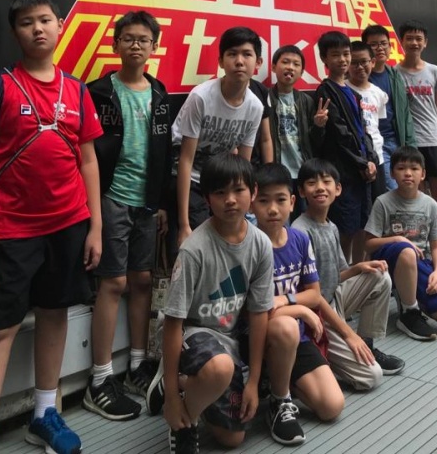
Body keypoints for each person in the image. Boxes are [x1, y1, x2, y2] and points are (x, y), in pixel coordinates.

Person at [0, 0, 103, 454]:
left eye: (45, 20)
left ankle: (44, 414)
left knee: (55, 313)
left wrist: (95, 227)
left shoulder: (77, 90)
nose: (37, 29)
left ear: (61, 25)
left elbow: (88, 161)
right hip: (10, 230)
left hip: (69, 225)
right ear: (15, 32)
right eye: (26, 22)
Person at [151, 153, 274, 454]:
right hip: (193, 334)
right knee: (219, 368)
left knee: (232, 438)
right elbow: (174, 322)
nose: (230, 200)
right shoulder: (194, 250)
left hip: (229, 337)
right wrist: (173, 401)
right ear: (207, 199)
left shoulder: (260, 244)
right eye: (220, 192)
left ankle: (189, 385)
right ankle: (183, 418)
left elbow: (259, 313)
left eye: (238, 190)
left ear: (253, 192)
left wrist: (253, 382)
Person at [83, 11, 172, 420]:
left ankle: (137, 365)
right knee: (112, 283)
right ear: (115, 44)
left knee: (142, 281)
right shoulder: (98, 92)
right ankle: (100, 377)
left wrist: (161, 203)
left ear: (154, 47)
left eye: (143, 40)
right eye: (129, 38)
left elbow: (164, 154)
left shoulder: (160, 93)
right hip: (111, 199)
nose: (136, 45)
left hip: (146, 204)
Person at [252, 163, 344, 443]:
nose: (273, 209)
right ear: (252, 203)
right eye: (264, 201)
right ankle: (279, 401)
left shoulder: (300, 240)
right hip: (259, 336)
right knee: (286, 326)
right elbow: (256, 311)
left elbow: (315, 294)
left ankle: (280, 377)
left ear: (292, 202)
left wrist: (287, 301)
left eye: (280, 200)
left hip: (296, 339)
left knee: (331, 406)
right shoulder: (249, 246)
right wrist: (300, 309)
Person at [293, 158, 405, 387]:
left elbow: (336, 276)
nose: (320, 188)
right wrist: (347, 333)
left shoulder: (331, 226)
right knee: (371, 377)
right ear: (301, 191)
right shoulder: (300, 232)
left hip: (333, 300)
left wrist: (358, 268)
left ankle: (366, 343)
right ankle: (325, 355)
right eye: (312, 183)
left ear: (338, 189)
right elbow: (313, 295)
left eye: (326, 182)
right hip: (316, 313)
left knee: (379, 276)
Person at [171, 27, 264, 249]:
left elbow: (243, 164)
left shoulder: (255, 107)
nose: (239, 61)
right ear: (221, 61)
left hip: (220, 178)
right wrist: (184, 225)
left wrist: (243, 213)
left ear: (258, 63)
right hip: (187, 176)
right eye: (232, 54)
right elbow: (185, 160)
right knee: (200, 242)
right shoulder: (201, 97)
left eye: (247, 54)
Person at [365, 146, 437, 342]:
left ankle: (408, 296)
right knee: (407, 251)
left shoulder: (430, 204)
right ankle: (409, 313)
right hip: (389, 261)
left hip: (420, 263)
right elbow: (369, 244)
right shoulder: (382, 202)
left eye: (414, 169)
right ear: (392, 173)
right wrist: (397, 239)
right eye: (401, 168)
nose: (408, 173)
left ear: (423, 174)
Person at [314, 31, 378, 262]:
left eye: (346, 54)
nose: (342, 59)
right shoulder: (326, 91)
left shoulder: (352, 93)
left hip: (362, 170)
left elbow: (364, 131)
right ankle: (344, 272)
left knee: (363, 223)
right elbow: (339, 134)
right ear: (324, 59)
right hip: (344, 171)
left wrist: (371, 160)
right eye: (335, 55)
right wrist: (362, 163)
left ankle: (360, 267)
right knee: (345, 226)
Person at [395, 20, 437, 213]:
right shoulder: (395, 73)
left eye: (418, 39)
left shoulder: (434, 71)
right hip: (410, 142)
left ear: (425, 42)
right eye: (409, 38)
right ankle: (422, 229)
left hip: (433, 139)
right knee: (416, 191)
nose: (414, 43)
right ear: (402, 41)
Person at [267, 45, 327, 217]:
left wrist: (319, 126)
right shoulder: (265, 98)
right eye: (285, 62)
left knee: (302, 218)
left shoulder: (306, 101)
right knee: (279, 217)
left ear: (301, 72)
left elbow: (316, 143)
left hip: (302, 171)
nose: (290, 67)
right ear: (274, 67)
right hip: (277, 171)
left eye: (296, 64)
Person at [361, 24, 417, 191]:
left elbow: (405, 114)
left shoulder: (395, 75)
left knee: (406, 187)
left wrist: (410, 144)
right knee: (392, 188)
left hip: (397, 140)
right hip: (376, 143)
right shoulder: (361, 78)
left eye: (383, 43)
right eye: (373, 44)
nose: (380, 48)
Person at [348, 40, 388, 196]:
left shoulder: (379, 94)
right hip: (354, 158)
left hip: (377, 156)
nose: (359, 67)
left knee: (378, 202)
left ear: (372, 62)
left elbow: (379, 124)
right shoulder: (343, 90)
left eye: (364, 62)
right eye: (354, 63)